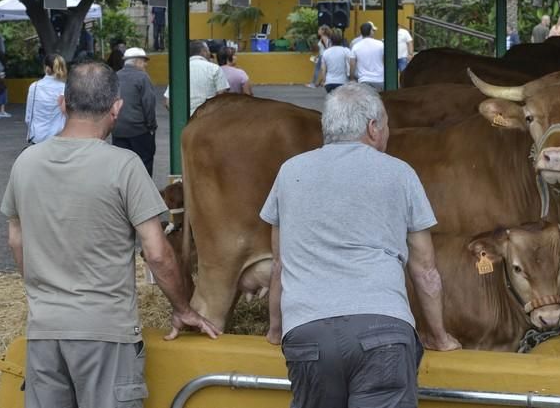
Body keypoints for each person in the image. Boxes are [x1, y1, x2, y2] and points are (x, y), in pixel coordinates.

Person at [1, 61, 219, 408]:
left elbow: (16, 240)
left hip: (45, 331)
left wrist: (45, 292)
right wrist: (182, 307)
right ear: (116, 107)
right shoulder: (125, 165)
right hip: (106, 332)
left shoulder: (26, 162)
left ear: (63, 103)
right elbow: (158, 253)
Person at [261, 83, 460, 408]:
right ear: (372, 127)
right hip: (383, 331)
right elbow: (425, 270)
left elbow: (280, 264)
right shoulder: (400, 173)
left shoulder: (289, 173)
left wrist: (275, 328)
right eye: (386, 124)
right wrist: (439, 336)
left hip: (309, 335)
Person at [113, 48, 158, 176]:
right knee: (144, 162)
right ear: (137, 62)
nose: (146, 64)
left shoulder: (115, 76)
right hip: (139, 130)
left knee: (122, 165)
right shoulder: (142, 77)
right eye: (144, 61)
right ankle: (143, 193)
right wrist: (151, 126)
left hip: (118, 130)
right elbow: (148, 103)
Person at [163, 41, 229, 116]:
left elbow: (168, 102)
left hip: (186, 122)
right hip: (208, 119)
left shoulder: (179, 71)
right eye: (208, 51)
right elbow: (222, 96)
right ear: (204, 51)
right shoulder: (214, 68)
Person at [25, 54, 67, 144]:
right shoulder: (64, 88)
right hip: (58, 136)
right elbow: (67, 114)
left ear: (45, 67)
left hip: (37, 137)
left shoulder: (34, 87)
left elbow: (28, 117)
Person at [350, 22, 384, 91]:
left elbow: (352, 64)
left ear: (361, 32)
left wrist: (351, 78)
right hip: (379, 79)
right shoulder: (380, 44)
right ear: (371, 31)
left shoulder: (356, 46)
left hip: (364, 80)